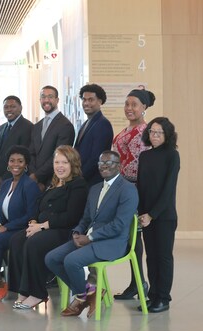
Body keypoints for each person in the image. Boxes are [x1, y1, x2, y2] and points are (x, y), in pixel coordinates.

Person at [45, 150, 138, 317]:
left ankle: (81, 297)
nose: (104, 166)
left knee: (71, 261)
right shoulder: (95, 188)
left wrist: (90, 237)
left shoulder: (128, 190)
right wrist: (78, 232)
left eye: (109, 163)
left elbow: (119, 225)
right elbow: (86, 217)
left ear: (119, 166)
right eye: (101, 163)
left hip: (112, 243)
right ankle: (89, 292)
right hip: (88, 239)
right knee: (51, 258)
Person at [7, 146, 88, 309]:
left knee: (34, 243)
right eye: (57, 162)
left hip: (65, 231)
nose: (60, 166)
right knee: (16, 240)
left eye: (64, 162)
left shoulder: (78, 185)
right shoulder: (53, 184)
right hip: (44, 228)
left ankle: (38, 293)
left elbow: (71, 216)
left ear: (73, 164)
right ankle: (23, 290)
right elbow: (39, 208)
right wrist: (33, 222)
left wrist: (42, 226)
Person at [0, 146, 40, 303]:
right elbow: (0, 209)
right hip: (6, 227)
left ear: (26, 165)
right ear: (7, 164)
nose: (15, 164)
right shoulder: (5, 184)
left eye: (20, 161)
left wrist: (7, 227)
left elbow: (30, 215)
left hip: (21, 229)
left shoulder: (30, 185)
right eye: (12, 161)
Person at [112, 88, 156, 300]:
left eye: (134, 104)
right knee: (131, 239)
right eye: (127, 104)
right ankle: (135, 283)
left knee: (134, 240)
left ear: (144, 107)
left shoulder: (143, 132)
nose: (129, 108)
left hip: (132, 190)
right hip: (122, 188)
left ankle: (139, 283)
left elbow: (135, 165)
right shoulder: (128, 130)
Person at [137, 117, 180, 313]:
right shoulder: (145, 156)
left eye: (158, 133)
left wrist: (152, 215)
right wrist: (140, 213)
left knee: (163, 257)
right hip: (146, 217)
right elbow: (141, 188)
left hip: (163, 216)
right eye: (151, 132)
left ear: (167, 135)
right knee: (151, 257)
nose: (154, 136)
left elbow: (167, 189)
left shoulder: (172, 155)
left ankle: (163, 297)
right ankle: (153, 295)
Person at [29, 85, 75, 190]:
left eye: (50, 97)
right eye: (43, 97)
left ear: (57, 100)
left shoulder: (65, 125)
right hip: (34, 182)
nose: (46, 100)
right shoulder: (37, 126)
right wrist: (33, 176)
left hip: (54, 181)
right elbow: (31, 153)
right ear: (40, 100)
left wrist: (38, 176)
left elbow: (60, 156)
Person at [0, 96, 33, 197]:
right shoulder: (0, 129)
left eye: (13, 106)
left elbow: (24, 158)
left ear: (20, 108)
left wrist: (5, 179)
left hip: (17, 181)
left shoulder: (28, 127)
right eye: (6, 107)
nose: (9, 110)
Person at [74, 84, 114, 186]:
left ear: (100, 102)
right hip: (82, 180)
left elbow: (96, 158)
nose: (86, 103)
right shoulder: (86, 123)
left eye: (91, 99)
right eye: (84, 99)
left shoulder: (103, 124)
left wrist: (79, 177)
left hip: (92, 182)